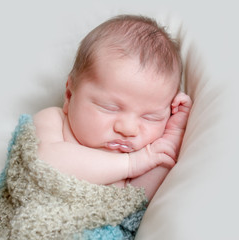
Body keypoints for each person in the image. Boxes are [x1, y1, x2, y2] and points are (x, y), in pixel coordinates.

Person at [33, 14, 192, 201]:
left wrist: (172, 138)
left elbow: (137, 202)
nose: (128, 129)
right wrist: (130, 164)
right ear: (69, 95)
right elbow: (42, 163)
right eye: (109, 107)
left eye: (151, 117)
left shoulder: (142, 154)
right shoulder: (53, 120)